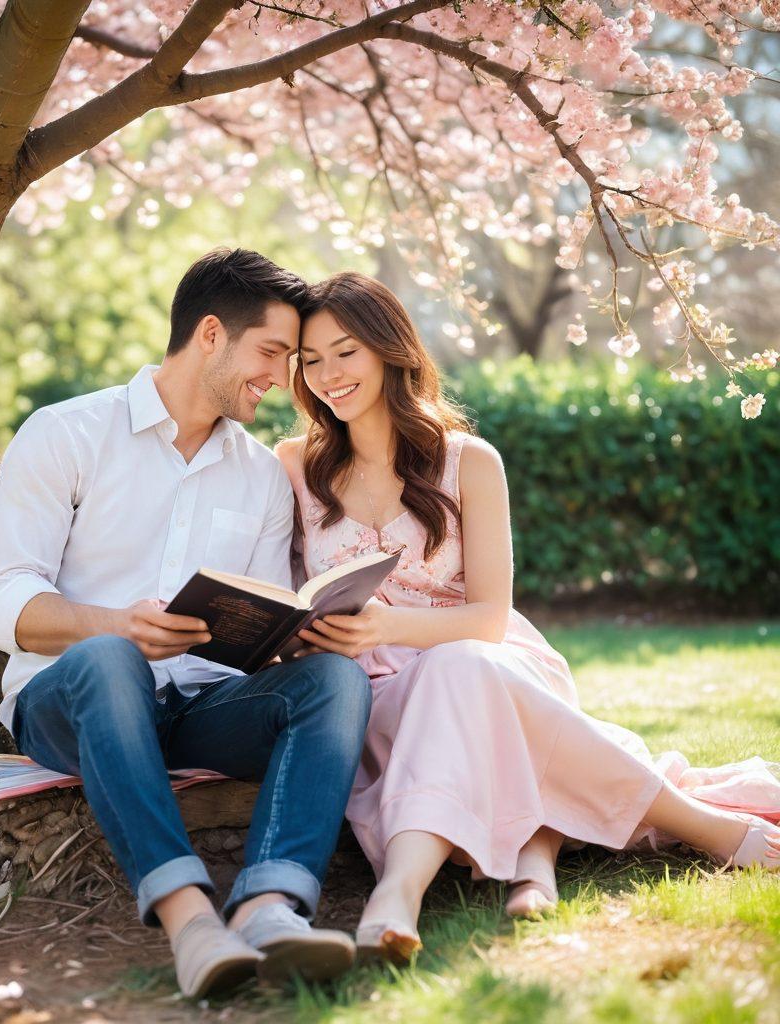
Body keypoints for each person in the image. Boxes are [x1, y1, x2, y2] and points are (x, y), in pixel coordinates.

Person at [276, 271, 780, 964]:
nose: (328, 374)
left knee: (463, 667)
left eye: (345, 351)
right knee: (457, 681)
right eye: (310, 359)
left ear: (390, 349)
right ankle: (549, 853)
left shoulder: (469, 462)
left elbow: (488, 617)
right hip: (377, 686)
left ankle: (401, 892)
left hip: (487, 657)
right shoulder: (294, 466)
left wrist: (390, 625)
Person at [0, 249, 372, 998]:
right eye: (272, 354)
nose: (282, 378)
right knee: (110, 659)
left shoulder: (260, 476)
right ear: (212, 334)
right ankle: (190, 920)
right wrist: (116, 626)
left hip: (194, 708)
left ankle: (268, 906)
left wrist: (297, 636)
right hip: (71, 702)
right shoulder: (66, 434)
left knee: (335, 683)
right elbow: (4, 597)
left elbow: (255, 624)